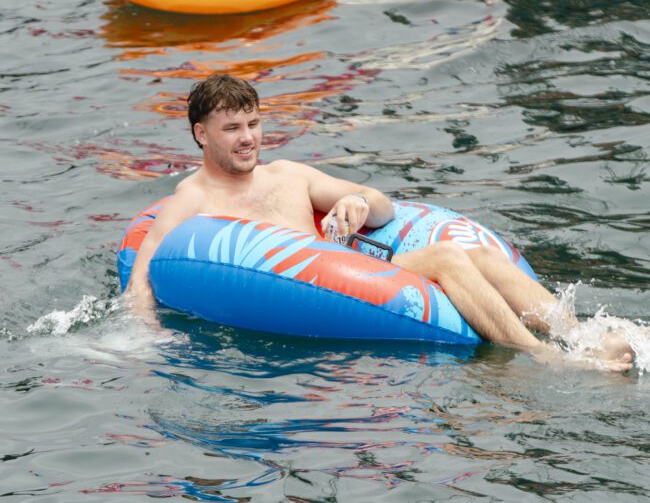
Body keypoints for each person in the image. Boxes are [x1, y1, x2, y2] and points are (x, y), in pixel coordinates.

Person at [126, 73, 634, 372]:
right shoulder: (191, 198)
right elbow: (143, 272)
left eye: (254, 124)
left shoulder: (287, 175)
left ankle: (579, 332)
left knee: (476, 253)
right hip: (316, 286)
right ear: (201, 134)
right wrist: (149, 336)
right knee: (446, 258)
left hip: (355, 270)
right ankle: (545, 356)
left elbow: (383, 205)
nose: (247, 138)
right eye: (232, 128)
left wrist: (359, 205)